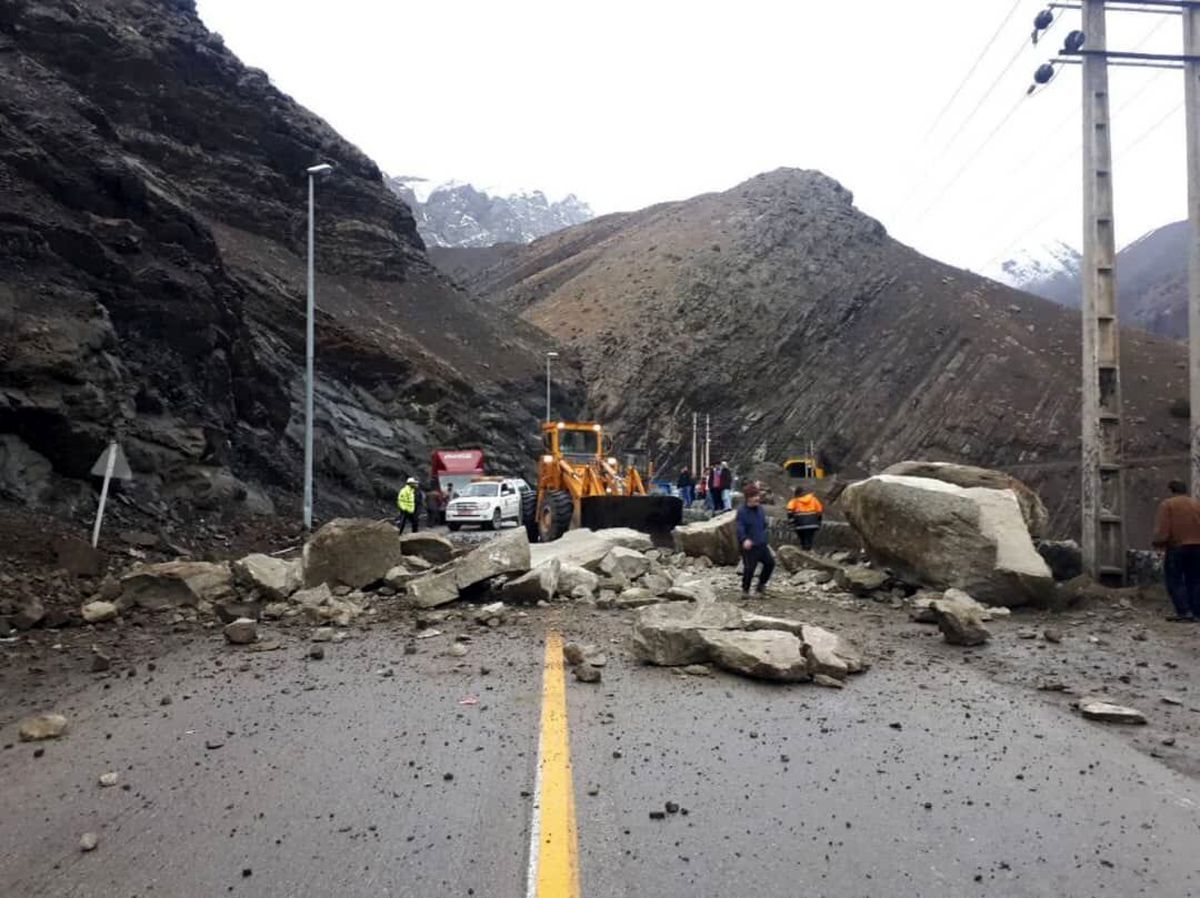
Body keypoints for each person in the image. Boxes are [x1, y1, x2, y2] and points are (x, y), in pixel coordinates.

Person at [1153, 479, 1200, 621]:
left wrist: (1159, 543)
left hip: (1177, 547)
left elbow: (1163, 528)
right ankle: (1196, 612)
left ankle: (1184, 612)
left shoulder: (1168, 504)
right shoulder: (1197, 504)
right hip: (1198, 547)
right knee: (1195, 580)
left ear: (1171, 490)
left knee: (1175, 579)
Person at [736, 483, 774, 598]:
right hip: (750, 545)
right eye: (754, 496)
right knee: (749, 569)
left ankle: (760, 586)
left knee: (770, 563)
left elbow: (763, 525)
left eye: (757, 495)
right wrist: (744, 539)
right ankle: (745, 590)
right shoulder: (742, 511)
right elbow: (740, 527)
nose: (757, 498)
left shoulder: (760, 509)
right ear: (748, 498)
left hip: (761, 543)